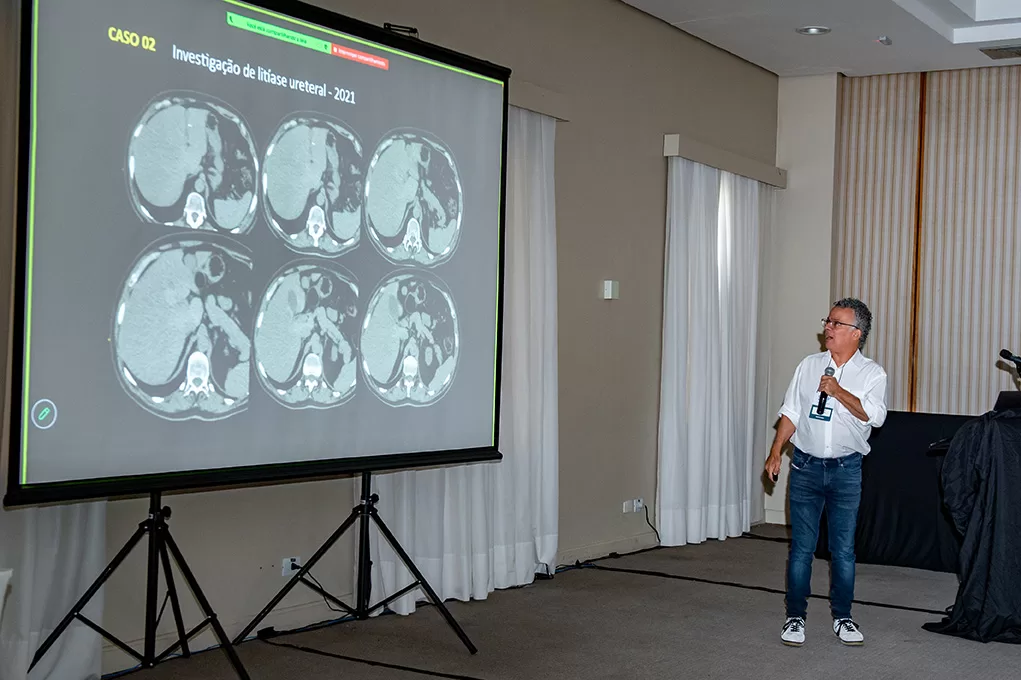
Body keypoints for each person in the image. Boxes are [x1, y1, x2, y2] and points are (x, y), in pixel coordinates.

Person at [764, 297, 888, 647]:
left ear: (856, 333)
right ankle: (795, 617)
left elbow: (875, 417)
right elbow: (791, 411)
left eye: (836, 323)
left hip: (846, 470)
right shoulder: (809, 365)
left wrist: (837, 391)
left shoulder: (872, 374)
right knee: (801, 549)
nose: (828, 328)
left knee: (843, 550)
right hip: (805, 466)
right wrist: (775, 452)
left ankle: (843, 617)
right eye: (828, 321)